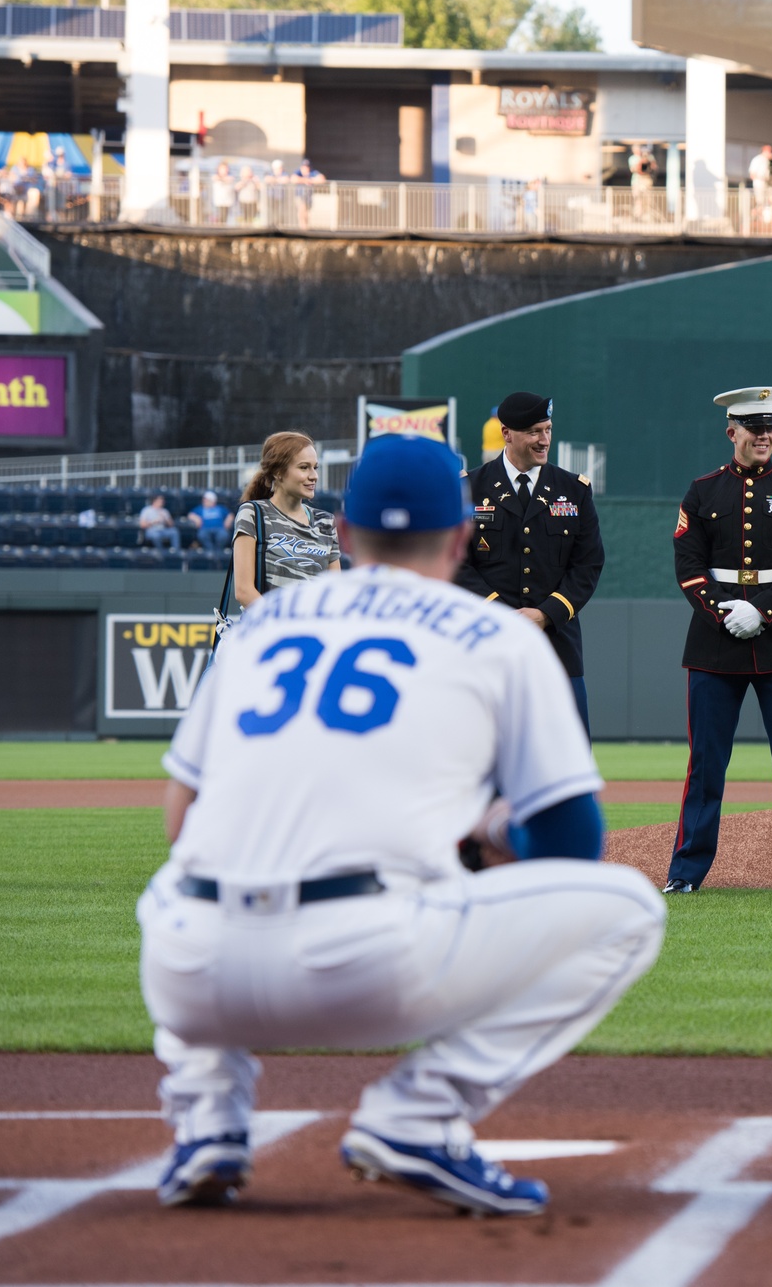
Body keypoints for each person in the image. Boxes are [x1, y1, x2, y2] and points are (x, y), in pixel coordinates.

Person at [139, 434, 665, 1215]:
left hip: (192, 976)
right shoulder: (499, 638)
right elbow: (572, 845)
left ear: (344, 537)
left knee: (175, 884)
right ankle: (418, 1114)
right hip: (368, 965)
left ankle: (209, 1116)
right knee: (629, 910)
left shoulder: (268, 624)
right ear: (462, 538)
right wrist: (488, 832)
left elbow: (180, 819)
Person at [664, 386, 772, 894]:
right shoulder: (702, 491)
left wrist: (760, 610)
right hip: (714, 644)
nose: (764, 436)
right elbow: (688, 566)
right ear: (731, 431)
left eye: (771, 428)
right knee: (706, 766)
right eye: (754, 429)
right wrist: (723, 612)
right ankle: (686, 874)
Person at [455, 391, 604, 734]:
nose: (544, 440)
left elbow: (588, 564)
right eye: (535, 431)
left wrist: (544, 614)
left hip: (558, 643)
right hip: (488, 642)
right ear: (507, 433)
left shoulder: (574, 490)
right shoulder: (468, 489)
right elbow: (457, 564)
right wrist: (500, 613)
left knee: (570, 751)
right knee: (482, 752)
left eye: (548, 429)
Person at [232, 431, 340, 608]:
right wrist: (285, 625)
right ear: (278, 473)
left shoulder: (326, 522)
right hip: (269, 631)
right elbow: (243, 591)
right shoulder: (253, 513)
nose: (314, 476)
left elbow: (334, 593)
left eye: (315, 467)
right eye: (304, 467)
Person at [293, 158, 323, 230]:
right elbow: (293, 179)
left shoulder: (312, 172)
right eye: (304, 167)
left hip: (308, 196)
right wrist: (305, 180)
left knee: (306, 212)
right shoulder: (298, 172)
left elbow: (321, 179)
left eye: (307, 167)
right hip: (300, 195)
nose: (306, 168)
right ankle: (303, 227)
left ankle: (305, 227)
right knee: (301, 210)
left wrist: (311, 180)